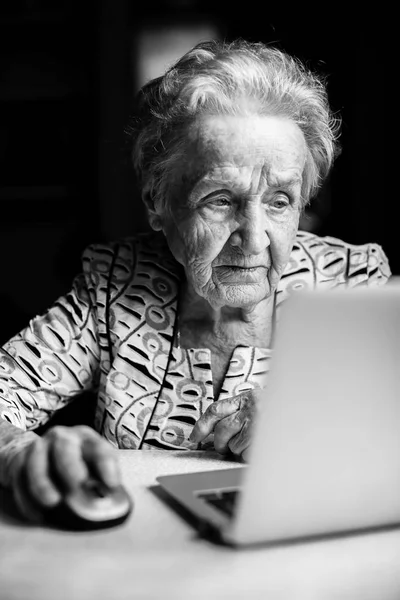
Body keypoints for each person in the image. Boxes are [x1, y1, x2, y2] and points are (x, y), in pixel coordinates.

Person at [0, 39, 391, 522]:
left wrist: (317, 431)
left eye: (279, 201)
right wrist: (17, 452)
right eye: (221, 200)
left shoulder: (356, 285)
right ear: (157, 203)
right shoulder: (113, 288)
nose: (252, 240)